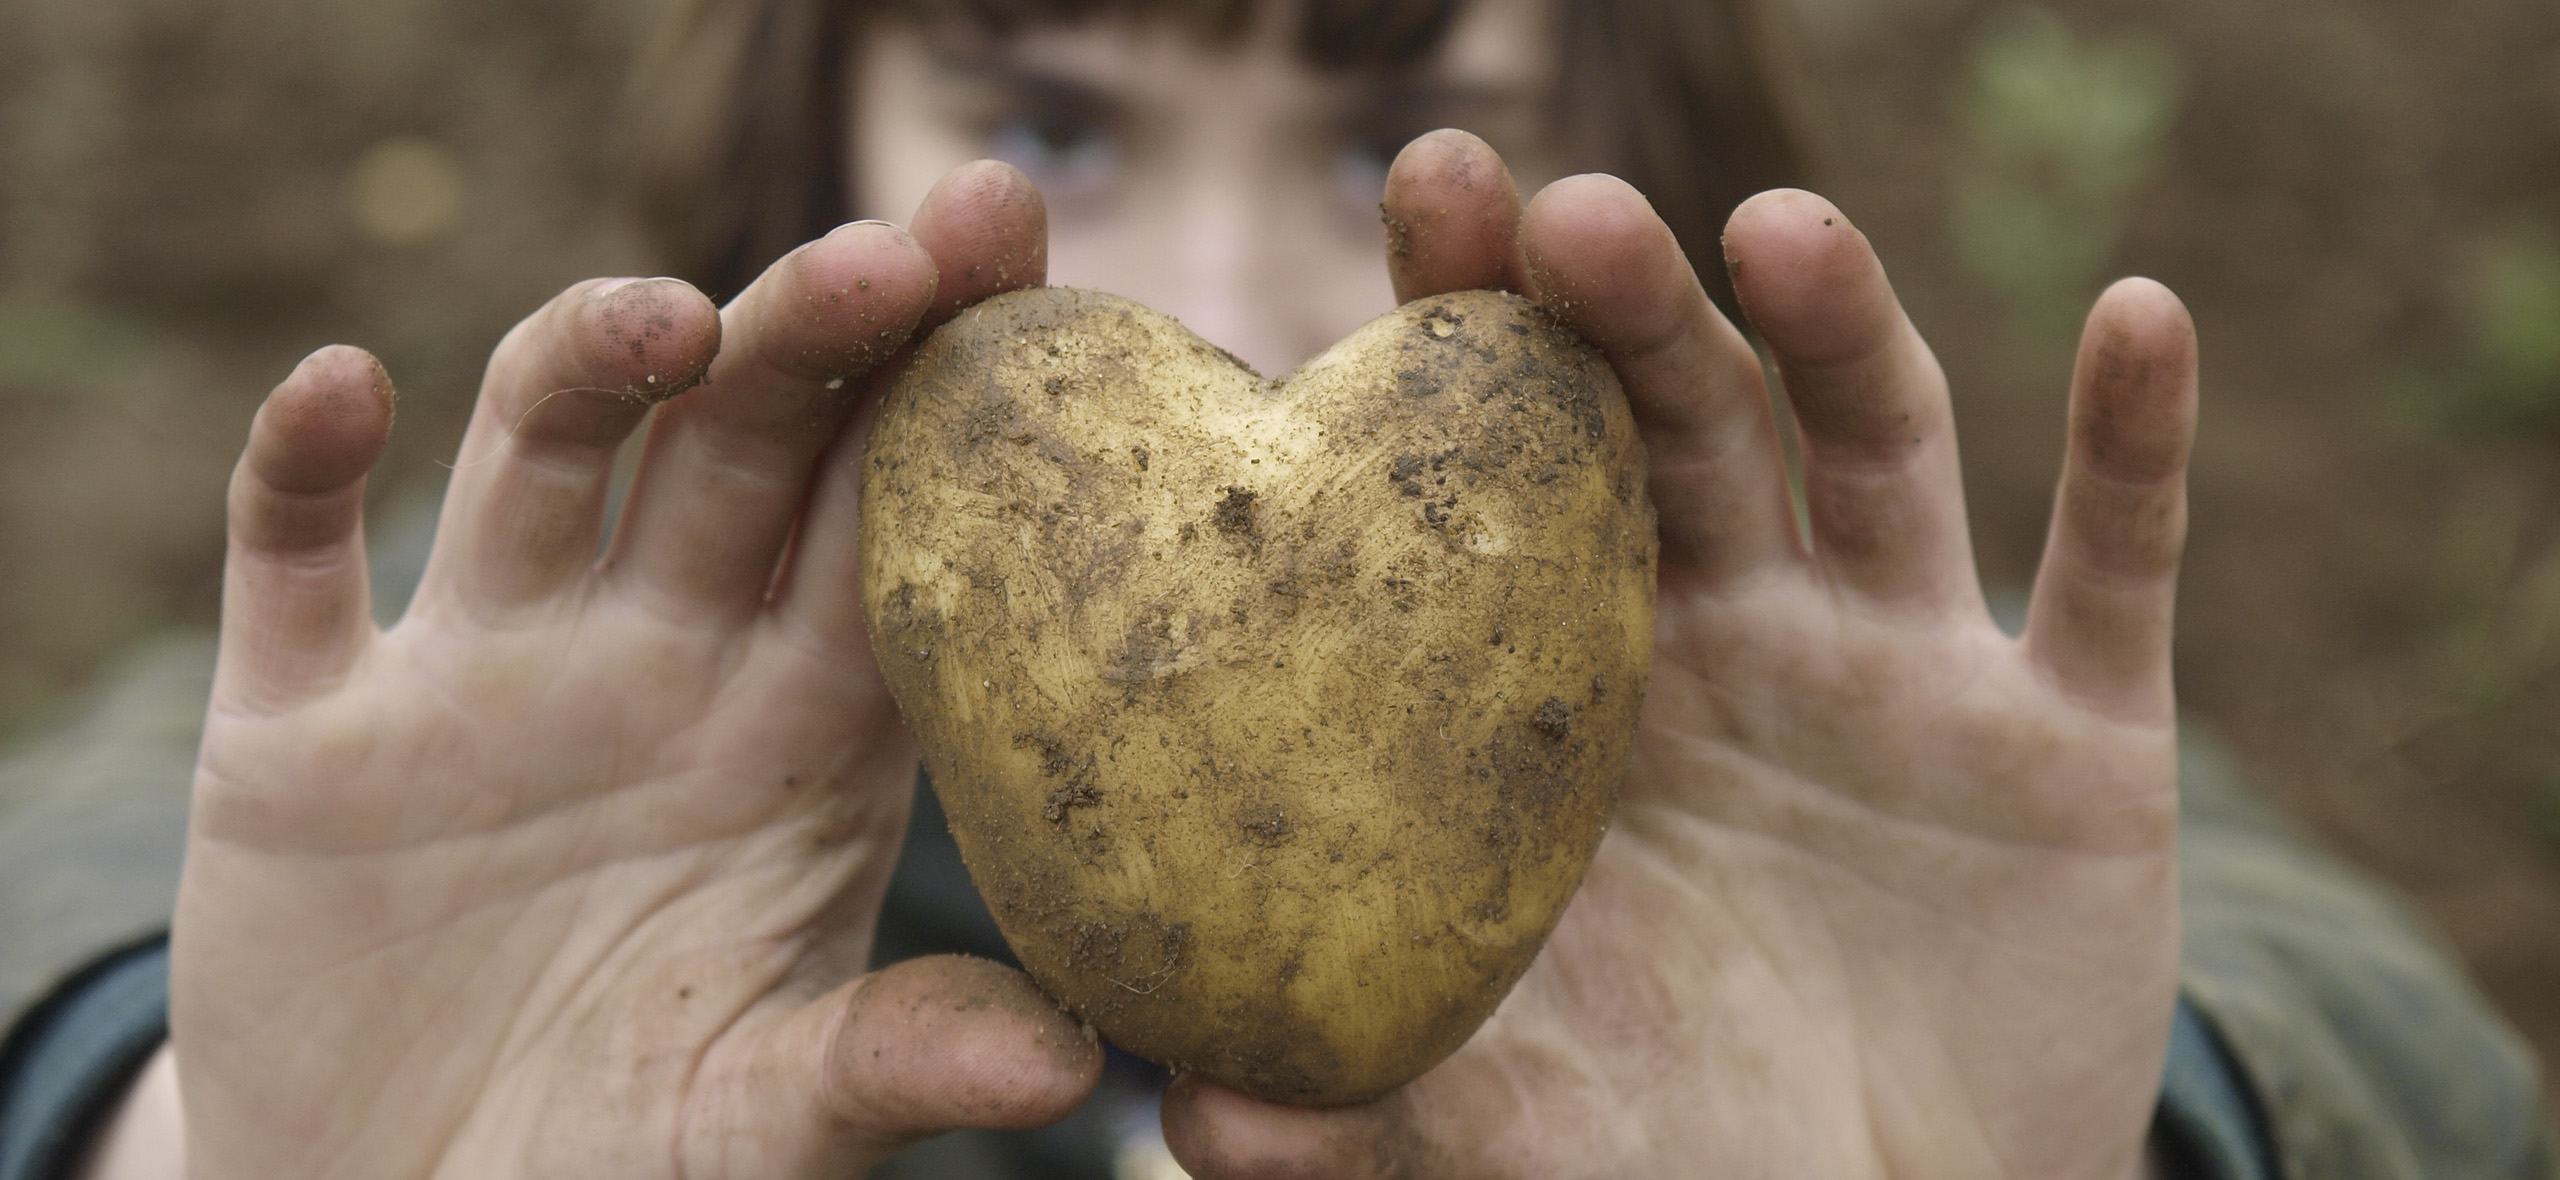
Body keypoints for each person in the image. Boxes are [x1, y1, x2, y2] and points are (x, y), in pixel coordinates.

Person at [0, 0, 2550, 1178]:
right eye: (1041, 119)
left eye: (1393, 114)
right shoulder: (538, 717)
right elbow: (106, 851)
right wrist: (183, 1124)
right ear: (812, 128)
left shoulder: (1833, 764)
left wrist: (2149, 1138)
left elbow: (2361, 1019)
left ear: (1619, 146)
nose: (1222, 277)